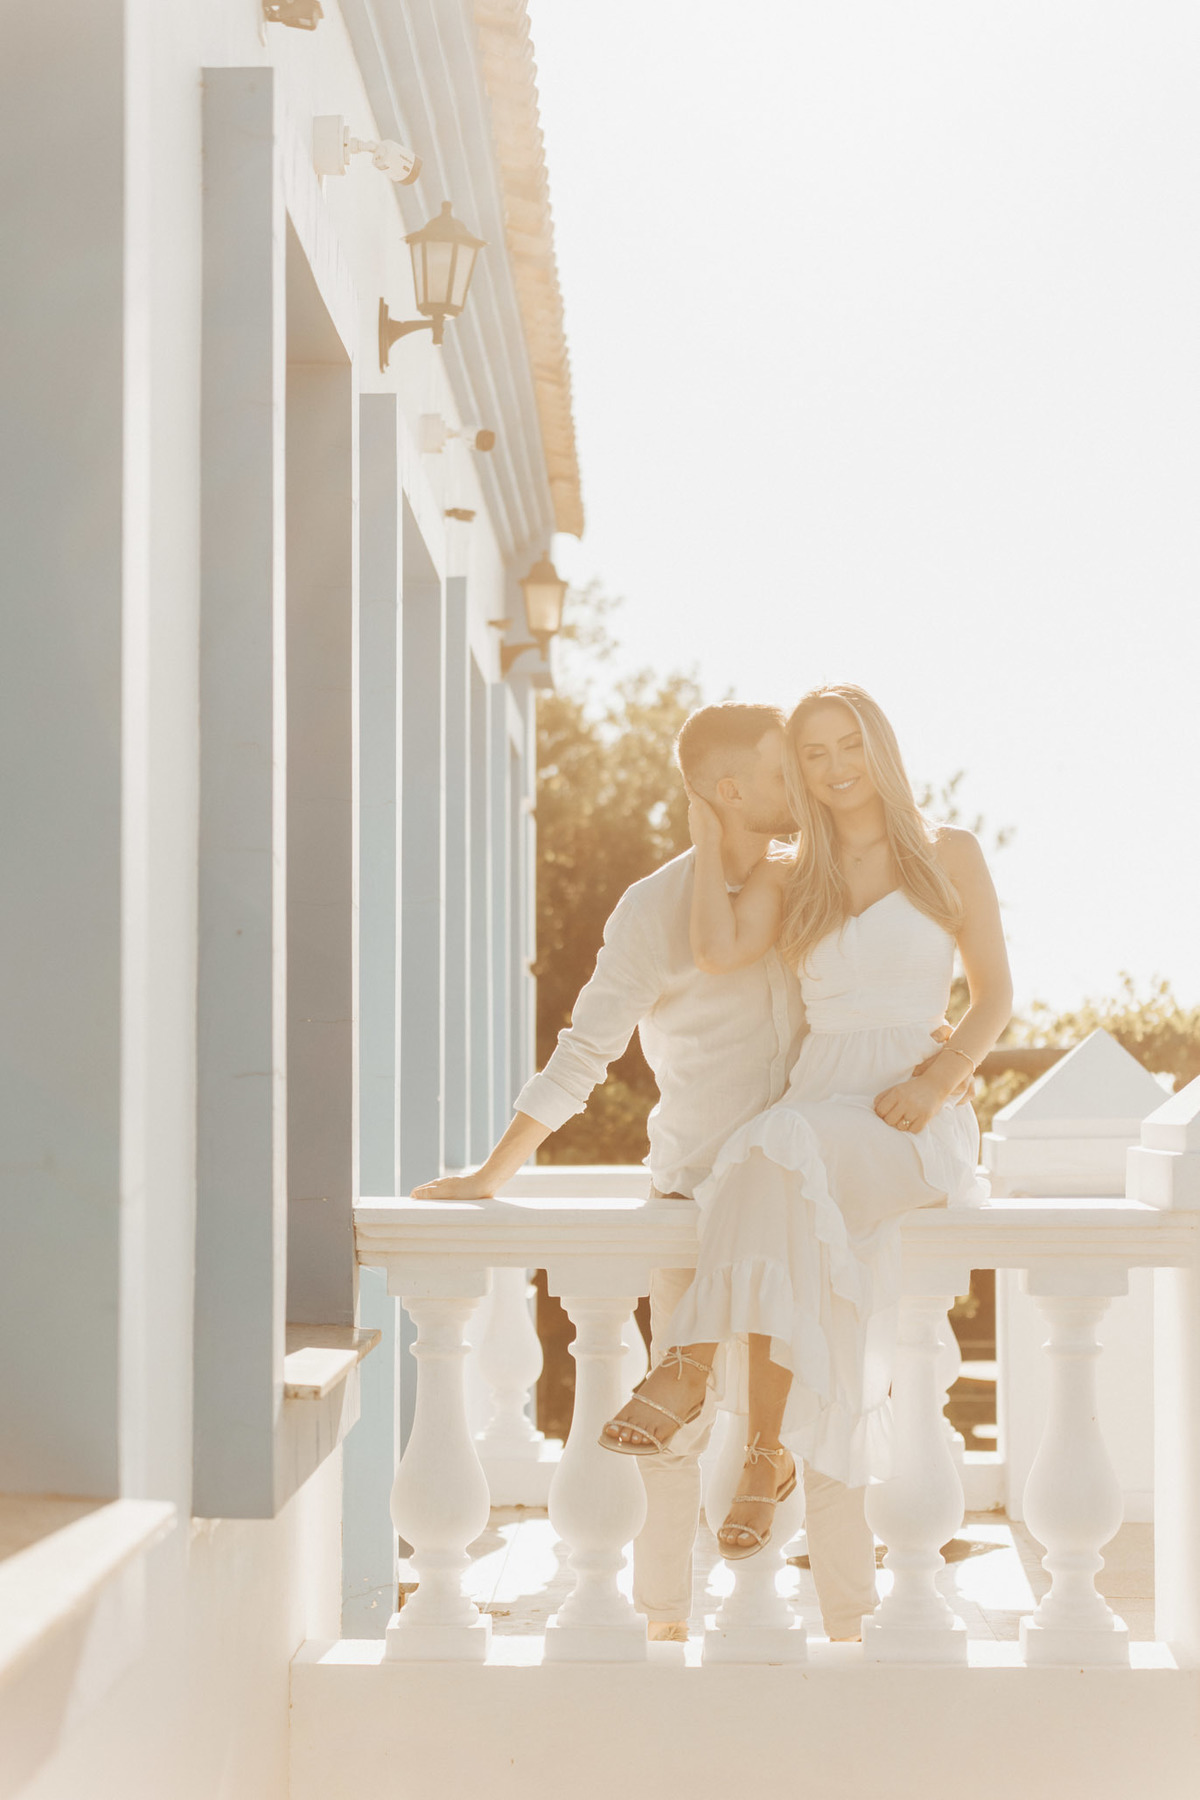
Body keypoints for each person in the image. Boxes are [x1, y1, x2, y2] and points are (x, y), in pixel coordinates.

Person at [412, 701, 955, 1639]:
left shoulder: (814, 879)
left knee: (825, 1415)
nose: (807, 784)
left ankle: (852, 1636)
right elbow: (585, 1051)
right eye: (784, 771)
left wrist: (930, 1050)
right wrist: (492, 1175)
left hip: (814, 1194)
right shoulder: (653, 909)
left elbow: (877, 993)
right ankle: (663, 1631)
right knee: (675, 1435)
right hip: (695, 1195)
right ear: (728, 791)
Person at [601, 684, 1013, 1566]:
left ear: (880, 747)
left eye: (849, 745)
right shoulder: (794, 871)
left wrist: (939, 1080)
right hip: (818, 1100)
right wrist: (707, 831)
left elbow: (995, 998)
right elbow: (716, 949)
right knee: (772, 1174)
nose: (834, 767)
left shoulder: (950, 852)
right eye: (813, 754)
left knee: (768, 1149)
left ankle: (688, 1366)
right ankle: (765, 1454)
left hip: (909, 1111)